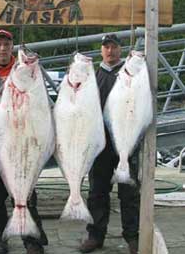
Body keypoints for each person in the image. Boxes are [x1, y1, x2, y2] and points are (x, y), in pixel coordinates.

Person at [0, 29, 48, 254]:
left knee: (27, 194)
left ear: (11, 47)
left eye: (6, 44)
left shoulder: (22, 69)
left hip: (22, 141)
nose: (3, 48)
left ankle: (32, 239)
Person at [79, 34, 140, 254]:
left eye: (114, 47)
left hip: (127, 142)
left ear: (120, 50)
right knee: (97, 192)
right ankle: (96, 235)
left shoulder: (131, 74)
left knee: (130, 193)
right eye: (106, 47)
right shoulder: (92, 76)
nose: (110, 51)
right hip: (100, 146)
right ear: (101, 50)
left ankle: (133, 237)